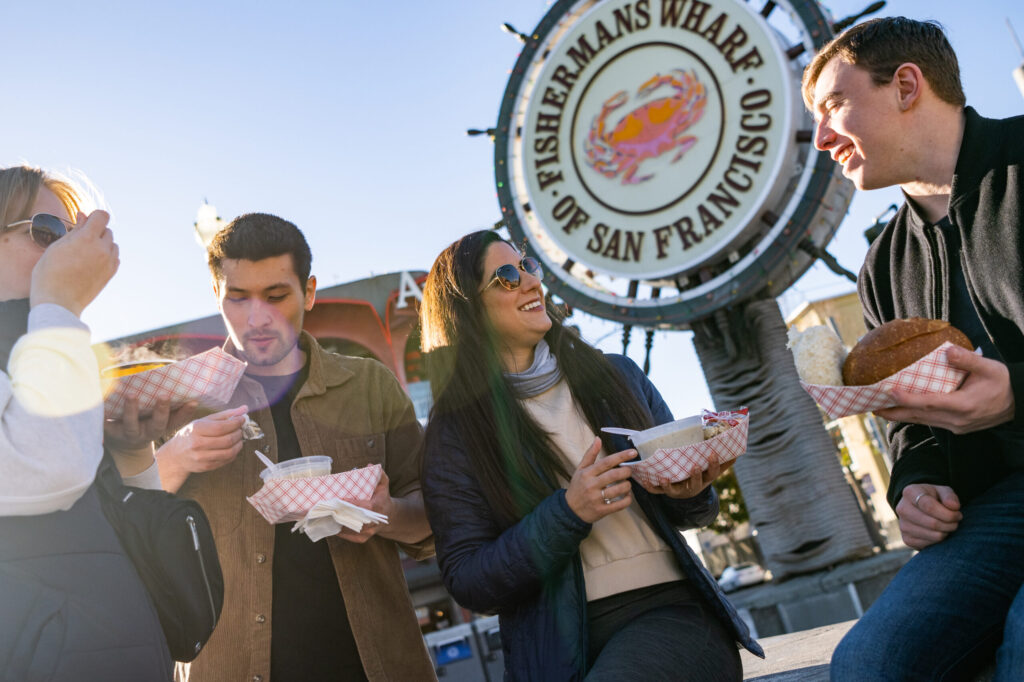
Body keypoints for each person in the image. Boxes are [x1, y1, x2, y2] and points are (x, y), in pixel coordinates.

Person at [418, 230, 762, 681]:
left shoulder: (617, 375)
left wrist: (689, 491)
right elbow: (469, 582)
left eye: (528, 268)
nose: (528, 281)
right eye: (505, 276)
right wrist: (567, 512)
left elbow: (694, 513)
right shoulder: (455, 431)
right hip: (550, 653)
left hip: (673, 614)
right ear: (468, 312)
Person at [803, 16, 1024, 680]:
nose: (820, 139)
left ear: (905, 85)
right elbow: (910, 424)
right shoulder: (881, 266)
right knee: (866, 663)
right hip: (995, 510)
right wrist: (916, 484)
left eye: (833, 106)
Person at [152, 213, 435, 681]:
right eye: (237, 298)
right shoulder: (179, 400)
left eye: (277, 296)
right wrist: (176, 457)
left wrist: (387, 512)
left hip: (376, 665)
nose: (257, 317)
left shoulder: (368, 385)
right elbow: (124, 529)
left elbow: (436, 516)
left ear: (310, 291)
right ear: (216, 296)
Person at [0, 165, 173, 680]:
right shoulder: (55, 329)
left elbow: (116, 541)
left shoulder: (50, 343)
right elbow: (49, 472)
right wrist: (58, 306)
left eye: (72, 236)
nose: (68, 252)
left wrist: (134, 456)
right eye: (49, 233)